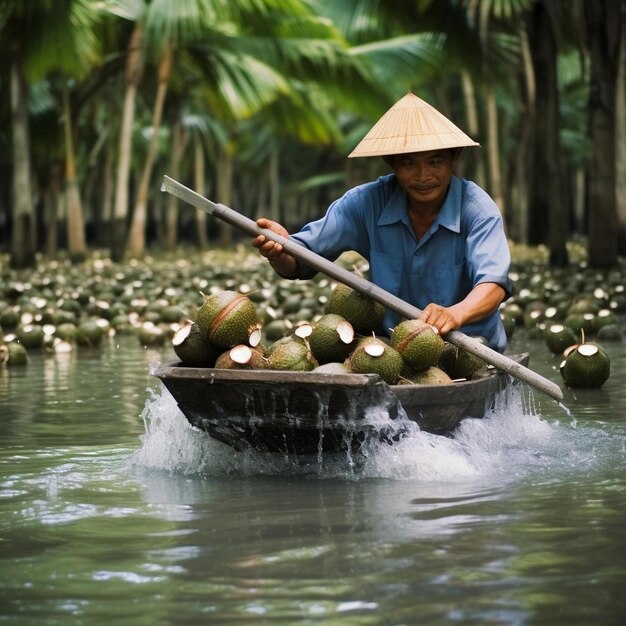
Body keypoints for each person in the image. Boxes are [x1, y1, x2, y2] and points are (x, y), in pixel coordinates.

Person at [252, 92, 512, 352]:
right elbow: (300, 261)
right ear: (392, 163)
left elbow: (494, 283)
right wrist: (280, 250)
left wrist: (456, 314)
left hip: (468, 349)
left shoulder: (478, 211)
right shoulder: (364, 203)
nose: (423, 176)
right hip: (393, 351)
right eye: (409, 164)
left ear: (453, 159)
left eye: (435, 162)